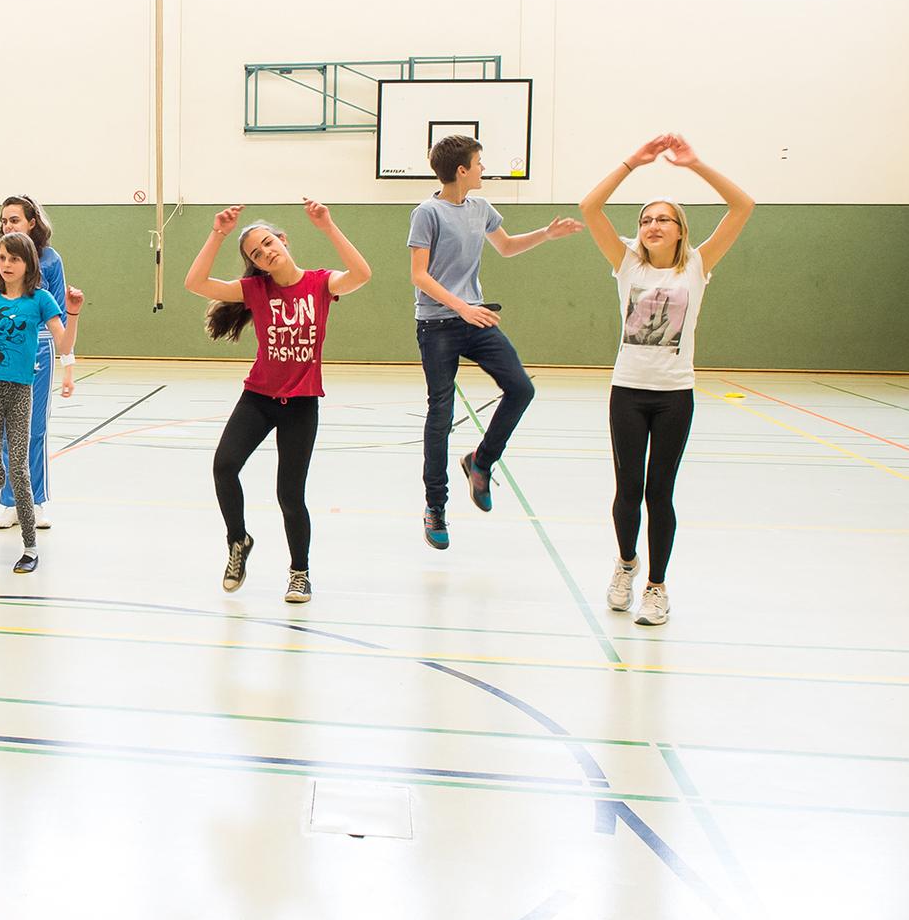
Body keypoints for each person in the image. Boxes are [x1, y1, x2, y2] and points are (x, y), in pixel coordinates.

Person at [580, 134, 753, 626]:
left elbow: (743, 206)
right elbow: (590, 207)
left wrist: (695, 164)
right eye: (646, 220)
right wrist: (633, 162)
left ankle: (656, 587)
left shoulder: (697, 264)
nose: (653, 226)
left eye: (663, 219)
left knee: (660, 492)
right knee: (627, 489)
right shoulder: (626, 263)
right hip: (628, 392)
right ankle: (625, 565)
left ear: (680, 231)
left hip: (675, 395)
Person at [186, 202, 373, 600]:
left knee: (289, 495)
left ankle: (299, 572)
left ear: (283, 241)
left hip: (301, 403)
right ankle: (238, 541)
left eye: (268, 243)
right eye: (256, 254)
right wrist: (218, 233)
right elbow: (195, 282)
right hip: (258, 398)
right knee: (224, 467)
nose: (265, 253)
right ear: (255, 264)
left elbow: (362, 274)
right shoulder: (255, 290)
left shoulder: (320, 284)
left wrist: (328, 226)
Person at [409, 134, 583, 549]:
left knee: (521, 388)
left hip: (475, 318)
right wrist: (461, 308)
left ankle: (481, 461)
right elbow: (419, 275)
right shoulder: (427, 213)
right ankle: (436, 506)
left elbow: (505, 246)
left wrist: (545, 234)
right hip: (437, 324)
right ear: (461, 170)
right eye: (479, 162)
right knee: (441, 413)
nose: (484, 169)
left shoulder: (481, 208)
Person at [0, 195, 83, 529]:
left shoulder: (50, 260)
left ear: (32, 222)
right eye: (4, 220)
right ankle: (9, 502)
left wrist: (67, 366)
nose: (8, 226)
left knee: (34, 430)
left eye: (15, 220)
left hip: (38, 351)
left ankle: (35, 501)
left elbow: (59, 321)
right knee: (3, 435)